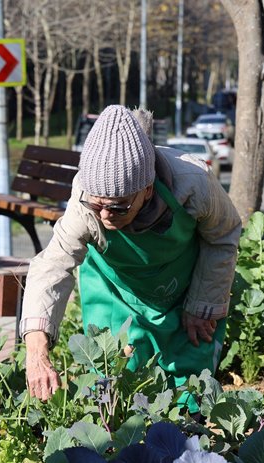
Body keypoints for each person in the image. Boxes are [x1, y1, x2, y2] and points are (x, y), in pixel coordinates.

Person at [21, 104, 242, 402]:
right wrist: (36, 351)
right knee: (115, 387)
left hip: (182, 289)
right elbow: (52, 265)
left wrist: (202, 303)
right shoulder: (84, 204)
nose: (106, 216)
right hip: (115, 292)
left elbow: (223, 235)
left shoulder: (194, 182)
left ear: (148, 190)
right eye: (98, 206)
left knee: (192, 389)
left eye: (118, 206)